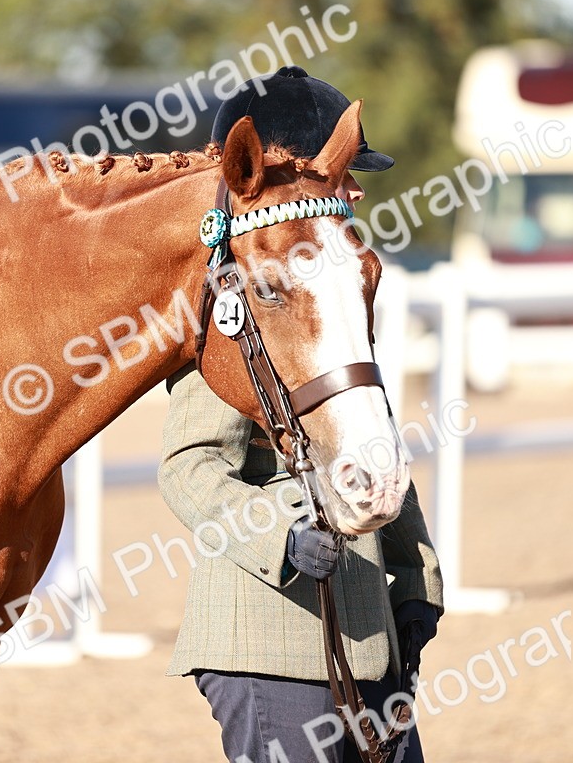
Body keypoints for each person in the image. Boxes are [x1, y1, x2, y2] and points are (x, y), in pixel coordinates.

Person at [158, 66, 444, 763]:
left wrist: (415, 580)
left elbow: (365, 437)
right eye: (344, 173)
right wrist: (277, 538)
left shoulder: (328, 291)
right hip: (268, 640)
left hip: (368, 637)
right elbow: (189, 465)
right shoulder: (244, 309)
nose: (355, 188)